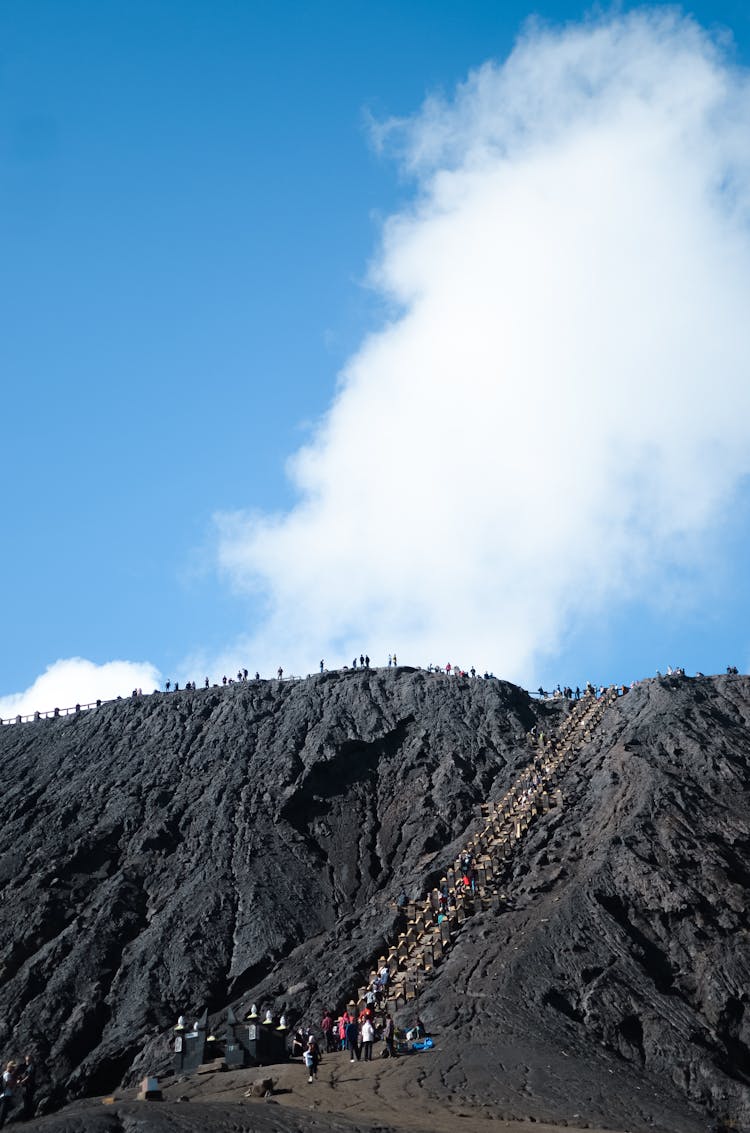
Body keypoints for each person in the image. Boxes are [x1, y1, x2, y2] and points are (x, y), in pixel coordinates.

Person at [0, 1061, 17, 1129]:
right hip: (6, 1095)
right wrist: (15, 1082)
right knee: (3, 1113)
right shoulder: (8, 1075)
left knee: (3, 1112)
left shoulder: (4, 1073)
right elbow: (10, 1085)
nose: (14, 1069)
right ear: (9, 1067)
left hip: (2, 1095)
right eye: (13, 1067)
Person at [19, 1055, 35, 1120]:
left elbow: (29, 1076)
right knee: (27, 1101)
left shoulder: (32, 1066)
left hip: (29, 1086)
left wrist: (22, 1081)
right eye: (26, 1060)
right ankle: (28, 1116)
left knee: (28, 1101)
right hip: (27, 1086)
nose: (26, 1061)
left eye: (28, 1060)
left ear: (31, 1060)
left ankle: (27, 1117)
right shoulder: (29, 1067)